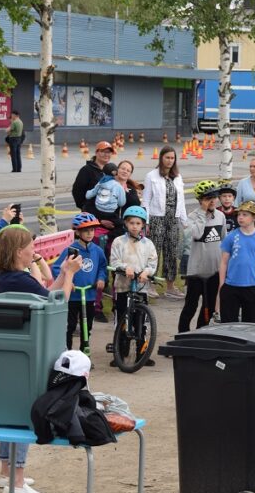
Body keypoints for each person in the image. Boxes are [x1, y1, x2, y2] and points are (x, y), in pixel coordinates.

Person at [0, 224, 81, 493]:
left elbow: (46, 297)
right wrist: (68, 276)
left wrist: (63, 275)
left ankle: (7, 472)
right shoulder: (17, 280)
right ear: (19, 251)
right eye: (31, 246)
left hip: (12, 352)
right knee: (22, 412)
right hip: (27, 354)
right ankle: (16, 480)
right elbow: (59, 303)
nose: (35, 250)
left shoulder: (9, 278)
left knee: (10, 411)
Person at [108, 206, 158, 365]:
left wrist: (147, 272)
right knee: (121, 319)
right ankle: (120, 353)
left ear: (143, 225)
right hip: (123, 286)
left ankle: (142, 353)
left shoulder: (148, 244)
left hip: (141, 287)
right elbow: (114, 261)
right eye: (131, 223)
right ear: (126, 223)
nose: (135, 226)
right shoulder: (118, 242)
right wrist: (124, 268)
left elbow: (153, 262)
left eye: (138, 223)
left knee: (141, 321)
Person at [50, 213, 108, 351]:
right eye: (86, 231)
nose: (89, 234)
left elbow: (102, 267)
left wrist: (101, 279)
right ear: (77, 232)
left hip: (89, 295)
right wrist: (68, 282)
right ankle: (67, 352)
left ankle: (84, 352)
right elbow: (57, 267)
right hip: (73, 296)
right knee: (69, 326)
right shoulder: (71, 251)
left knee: (86, 327)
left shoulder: (98, 251)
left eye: (92, 230)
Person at [178, 180, 225, 332]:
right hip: (196, 271)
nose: (212, 201)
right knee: (190, 306)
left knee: (209, 307)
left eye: (214, 197)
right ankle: (182, 336)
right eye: (207, 198)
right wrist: (203, 215)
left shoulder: (220, 216)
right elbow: (197, 234)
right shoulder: (192, 217)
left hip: (214, 271)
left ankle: (199, 334)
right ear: (200, 200)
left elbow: (224, 241)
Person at [143, 146, 188, 299]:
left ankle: (170, 286)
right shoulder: (151, 176)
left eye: (172, 158)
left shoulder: (178, 177)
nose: (170, 161)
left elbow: (180, 201)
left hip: (173, 219)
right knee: (155, 251)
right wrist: (146, 221)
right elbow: (146, 200)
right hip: (157, 218)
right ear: (161, 158)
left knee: (171, 252)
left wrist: (184, 220)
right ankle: (151, 284)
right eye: (167, 157)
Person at [217, 201, 255, 323]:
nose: (240, 217)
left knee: (251, 325)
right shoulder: (231, 236)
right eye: (239, 214)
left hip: (253, 287)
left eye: (244, 214)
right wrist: (222, 285)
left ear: (254, 217)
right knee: (229, 324)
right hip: (231, 286)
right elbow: (224, 262)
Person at [72, 141, 115, 210]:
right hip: (92, 212)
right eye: (103, 151)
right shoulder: (86, 170)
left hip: (108, 211)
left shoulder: (111, 169)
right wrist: (85, 207)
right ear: (96, 153)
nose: (106, 154)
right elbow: (77, 191)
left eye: (109, 152)